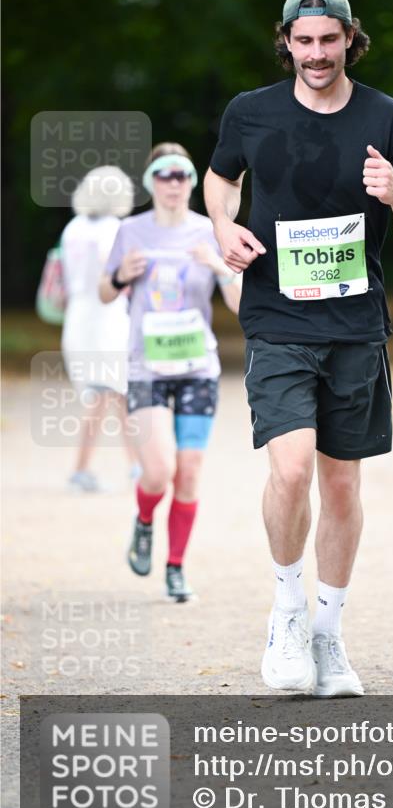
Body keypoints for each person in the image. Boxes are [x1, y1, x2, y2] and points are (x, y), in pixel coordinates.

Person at [204, 0, 393, 695]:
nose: (315, 53)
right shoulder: (249, 112)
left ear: (348, 39)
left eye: (327, 40)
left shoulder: (387, 118)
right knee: (292, 470)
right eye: (302, 41)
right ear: (286, 41)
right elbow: (219, 182)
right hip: (277, 319)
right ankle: (285, 611)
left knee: (341, 483)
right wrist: (223, 227)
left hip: (355, 325)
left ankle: (328, 634)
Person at [100, 142, 241, 601]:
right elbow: (104, 293)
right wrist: (121, 274)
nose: (174, 182)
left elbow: (240, 303)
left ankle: (176, 567)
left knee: (190, 470)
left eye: (182, 174)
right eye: (165, 173)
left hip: (198, 365)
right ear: (151, 181)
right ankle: (144, 521)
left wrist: (220, 266)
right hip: (148, 367)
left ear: (193, 182)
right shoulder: (130, 231)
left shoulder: (208, 230)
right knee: (158, 470)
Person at [61, 165, 135, 492]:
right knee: (107, 392)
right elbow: (120, 278)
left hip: (78, 316)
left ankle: (135, 463)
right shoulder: (114, 229)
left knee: (115, 393)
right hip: (108, 316)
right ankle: (81, 469)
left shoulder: (72, 228)